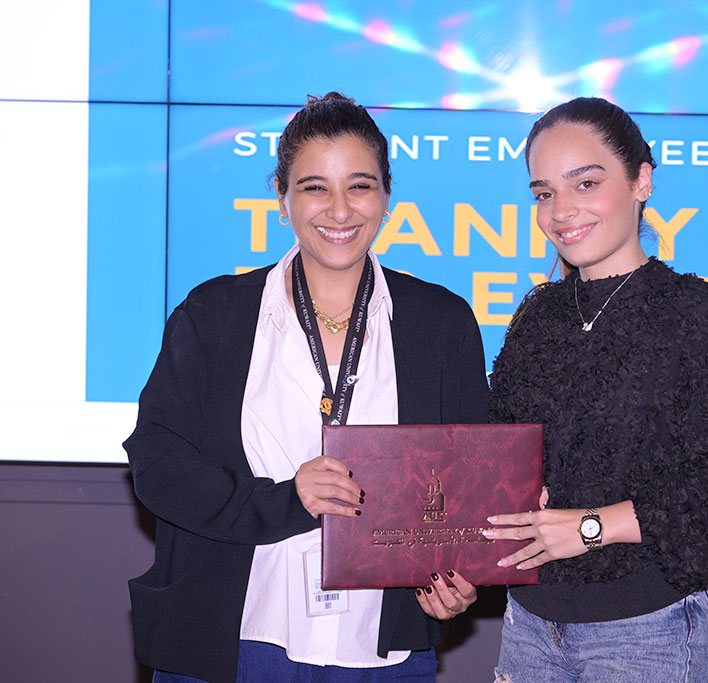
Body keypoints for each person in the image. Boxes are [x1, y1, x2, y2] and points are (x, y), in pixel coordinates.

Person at [124, 92, 488, 683]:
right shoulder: (213, 315)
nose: (339, 210)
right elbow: (158, 465)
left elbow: (468, 483)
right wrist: (287, 500)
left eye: (360, 186)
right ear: (281, 195)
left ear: (387, 196)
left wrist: (459, 575)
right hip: (233, 639)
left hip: (379, 652)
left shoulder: (442, 323)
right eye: (315, 187)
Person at [483, 97, 708, 682]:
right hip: (528, 626)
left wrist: (591, 526)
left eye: (586, 183)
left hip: (650, 630)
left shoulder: (697, 313)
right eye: (544, 193)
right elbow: (498, 454)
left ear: (641, 181)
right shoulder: (537, 318)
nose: (561, 211)